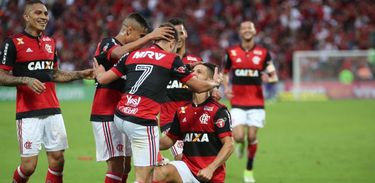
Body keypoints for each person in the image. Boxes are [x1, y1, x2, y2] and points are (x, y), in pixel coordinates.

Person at [93, 23, 222, 183]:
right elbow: (199, 86)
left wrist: (99, 73)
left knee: (126, 166)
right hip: (142, 122)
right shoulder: (171, 59)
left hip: (120, 117)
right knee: (146, 177)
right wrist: (215, 83)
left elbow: (103, 79)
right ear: (171, 43)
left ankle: (155, 155)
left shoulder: (132, 54)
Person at [0, 1, 93, 183]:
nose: (44, 17)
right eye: (38, 13)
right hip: (28, 113)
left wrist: (81, 74)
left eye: (45, 13)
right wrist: (25, 80)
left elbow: (55, 74)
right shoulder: (13, 43)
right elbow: (1, 75)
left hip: (53, 110)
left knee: (58, 160)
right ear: (26, 16)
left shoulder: (50, 42)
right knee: (28, 166)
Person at [90, 12, 175, 183]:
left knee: (126, 166)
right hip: (105, 113)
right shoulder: (109, 42)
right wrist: (150, 36)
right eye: (141, 36)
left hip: (125, 113)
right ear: (129, 31)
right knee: (115, 166)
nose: (144, 41)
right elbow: (118, 52)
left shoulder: (135, 55)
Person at [153, 63, 233, 183]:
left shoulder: (219, 111)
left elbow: (229, 145)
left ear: (210, 80)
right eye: (192, 71)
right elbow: (169, 140)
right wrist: (146, 143)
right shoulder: (182, 111)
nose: (193, 74)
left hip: (211, 175)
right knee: (158, 173)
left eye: (199, 72)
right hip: (187, 169)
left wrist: (210, 169)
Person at [223, 20, 278, 183]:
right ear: (240, 32)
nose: (247, 30)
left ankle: (248, 170)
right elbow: (225, 73)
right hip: (238, 102)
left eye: (250, 27)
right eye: (244, 28)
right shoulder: (231, 52)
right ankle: (241, 145)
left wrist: (269, 78)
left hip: (257, 102)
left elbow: (274, 76)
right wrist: (226, 87)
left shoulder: (263, 53)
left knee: (252, 136)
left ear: (255, 31)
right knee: (239, 137)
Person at [159, 18, 203, 161]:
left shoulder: (195, 60)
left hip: (193, 120)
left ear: (186, 34)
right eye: (173, 33)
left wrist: (212, 92)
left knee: (196, 160)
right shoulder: (160, 60)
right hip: (170, 121)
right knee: (181, 157)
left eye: (180, 32)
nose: (178, 36)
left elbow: (202, 90)